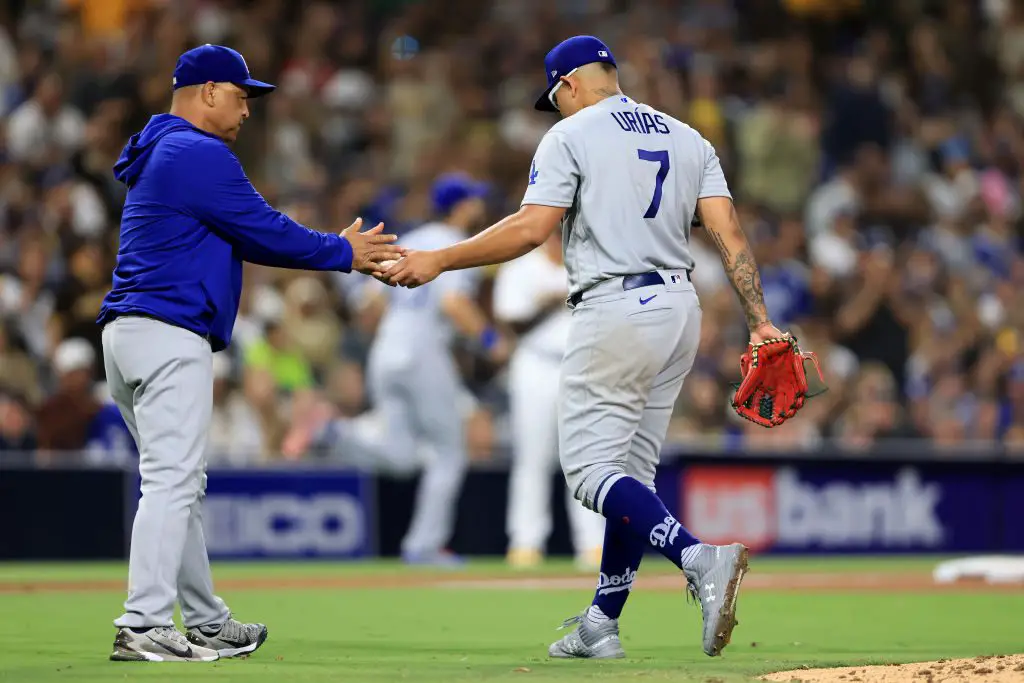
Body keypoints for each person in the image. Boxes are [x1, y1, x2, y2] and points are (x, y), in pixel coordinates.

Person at [385, 35, 787, 659]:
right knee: (631, 475)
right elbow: (728, 233)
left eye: (555, 98)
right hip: (681, 307)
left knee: (591, 473)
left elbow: (531, 228)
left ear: (568, 82)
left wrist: (441, 258)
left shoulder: (570, 136)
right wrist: (759, 319)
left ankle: (698, 556)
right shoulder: (688, 137)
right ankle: (602, 622)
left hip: (616, 305)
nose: (556, 109)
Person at [96, 44, 402, 663]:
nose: (247, 109)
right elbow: (264, 229)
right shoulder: (196, 152)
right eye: (240, 95)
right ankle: (145, 621)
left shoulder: (162, 147)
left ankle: (206, 619)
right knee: (172, 482)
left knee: (181, 484)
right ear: (207, 91)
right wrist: (342, 251)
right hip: (166, 330)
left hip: (130, 336)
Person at [367, 173, 508, 566]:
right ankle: (424, 546)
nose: (479, 207)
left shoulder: (411, 237)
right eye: (474, 201)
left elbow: (370, 304)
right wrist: (490, 341)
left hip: (387, 346)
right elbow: (453, 304)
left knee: (400, 455)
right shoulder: (458, 244)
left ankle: (337, 432)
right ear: (462, 205)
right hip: (424, 349)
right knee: (449, 451)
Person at [493, 232, 606, 569]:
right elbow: (511, 323)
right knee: (532, 457)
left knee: (587, 458)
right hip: (536, 363)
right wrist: (548, 301)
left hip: (583, 364)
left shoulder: (591, 264)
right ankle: (525, 543)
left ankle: (593, 544)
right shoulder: (521, 268)